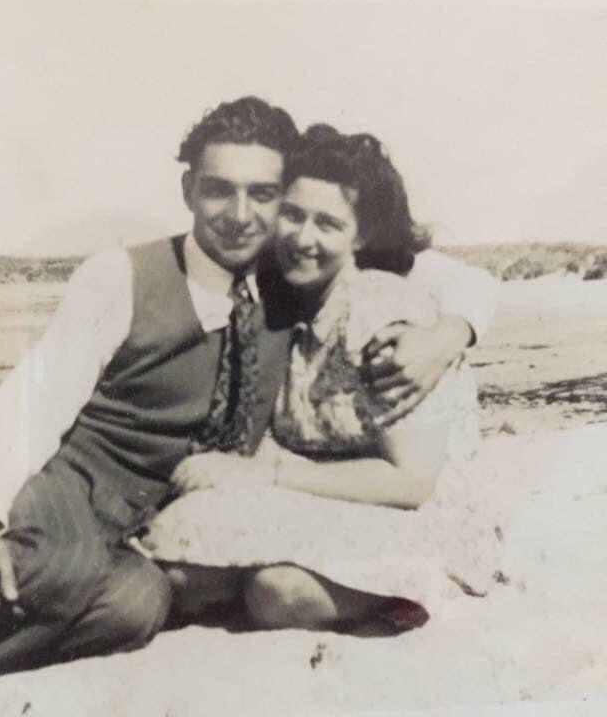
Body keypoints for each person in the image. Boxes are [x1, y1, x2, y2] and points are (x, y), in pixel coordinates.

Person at [0, 99, 496, 705]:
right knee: (57, 572)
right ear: (188, 190)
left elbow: (443, 274)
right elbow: (22, 410)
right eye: (219, 189)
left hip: (153, 519)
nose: (243, 214)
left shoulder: (288, 274)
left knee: (136, 609)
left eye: (263, 195)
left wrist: (451, 330)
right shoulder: (121, 278)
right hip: (77, 489)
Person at [144, 124, 500, 632]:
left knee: (279, 594)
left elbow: (412, 483)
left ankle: (409, 594)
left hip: (418, 516)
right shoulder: (285, 297)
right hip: (327, 497)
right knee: (182, 573)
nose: (302, 239)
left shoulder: (381, 312)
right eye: (292, 215)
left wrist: (263, 474)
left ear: (361, 235)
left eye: (328, 224)